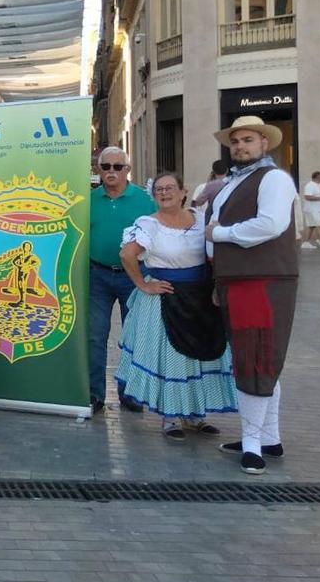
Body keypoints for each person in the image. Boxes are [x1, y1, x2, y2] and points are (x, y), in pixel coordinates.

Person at [206, 116, 299, 475]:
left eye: (247, 140)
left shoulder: (274, 178)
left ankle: (252, 445)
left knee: (256, 358)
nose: (240, 147)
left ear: (265, 143)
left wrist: (221, 234)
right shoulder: (233, 182)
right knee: (257, 356)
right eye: (235, 142)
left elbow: (271, 224)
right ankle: (268, 438)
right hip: (237, 280)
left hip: (261, 279)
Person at [115, 173, 237, 439]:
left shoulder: (201, 219)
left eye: (170, 188)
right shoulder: (149, 224)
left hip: (201, 297)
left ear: (184, 192)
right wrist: (143, 284)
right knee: (174, 357)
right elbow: (127, 254)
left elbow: (216, 253)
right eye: (159, 189)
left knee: (198, 356)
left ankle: (194, 415)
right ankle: (171, 417)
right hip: (166, 296)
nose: (164, 192)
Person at [87, 146, 155, 414]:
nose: (112, 172)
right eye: (106, 167)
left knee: (132, 336)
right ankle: (95, 393)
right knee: (95, 336)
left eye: (118, 167)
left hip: (133, 276)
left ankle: (130, 392)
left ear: (127, 169)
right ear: (98, 170)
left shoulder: (144, 201)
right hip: (97, 275)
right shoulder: (88, 200)